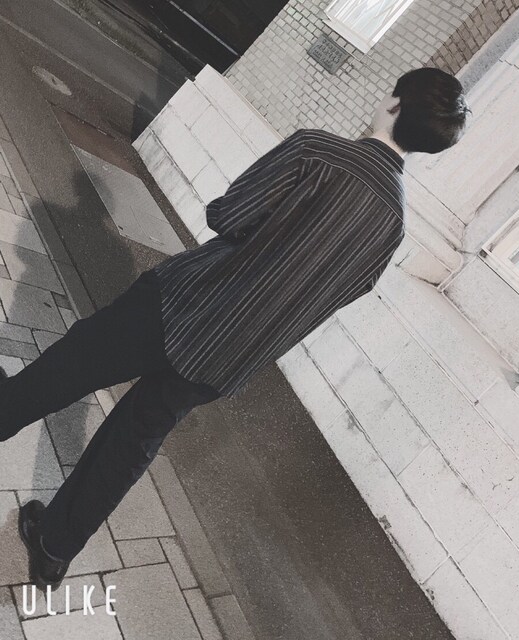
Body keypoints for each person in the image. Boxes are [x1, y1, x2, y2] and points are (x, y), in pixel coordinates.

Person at [0, 67, 470, 591]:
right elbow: (338, 294)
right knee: (132, 443)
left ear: (394, 105)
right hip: (231, 354)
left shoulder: (318, 151)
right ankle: (54, 549)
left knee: (75, 364)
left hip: (185, 301)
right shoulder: (392, 224)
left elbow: (228, 214)